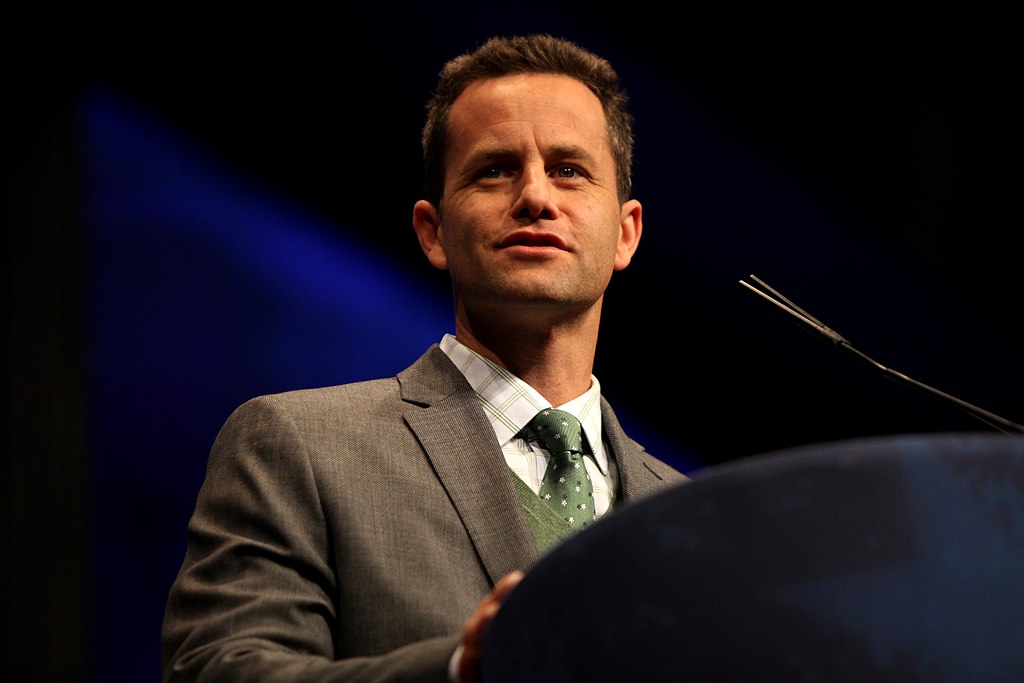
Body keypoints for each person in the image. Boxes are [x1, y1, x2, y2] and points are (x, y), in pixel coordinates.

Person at [161, 33, 688, 683]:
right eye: (495, 170)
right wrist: (459, 667)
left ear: (626, 233)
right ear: (432, 232)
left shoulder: (691, 512)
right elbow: (219, 670)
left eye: (569, 171)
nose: (535, 196)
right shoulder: (299, 445)